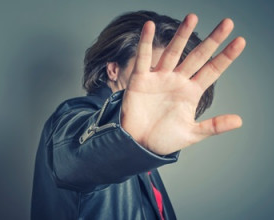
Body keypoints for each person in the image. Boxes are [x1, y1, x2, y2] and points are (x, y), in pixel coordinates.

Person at [31, 10, 245, 220]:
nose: (164, 89)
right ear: (113, 70)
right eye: (153, 73)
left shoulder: (142, 150)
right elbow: (72, 160)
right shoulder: (74, 116)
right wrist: (121, 137)